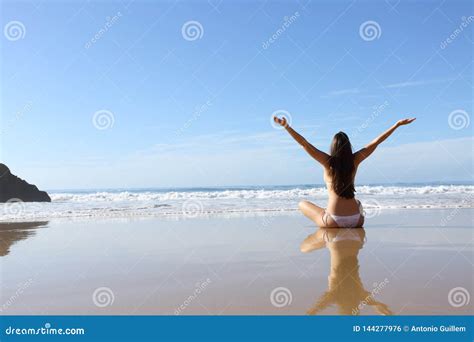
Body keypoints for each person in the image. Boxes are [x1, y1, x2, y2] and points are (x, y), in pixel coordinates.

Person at [274, 116, 416, 227]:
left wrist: (286, 126)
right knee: (358, 202)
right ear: (349, 147)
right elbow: (377, 141)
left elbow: (304, 143)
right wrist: (397, 125)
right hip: (357, 221)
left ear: (333, 147)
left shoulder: (327, 162)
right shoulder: (355, 160)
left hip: (332, 221)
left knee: (302, 204)